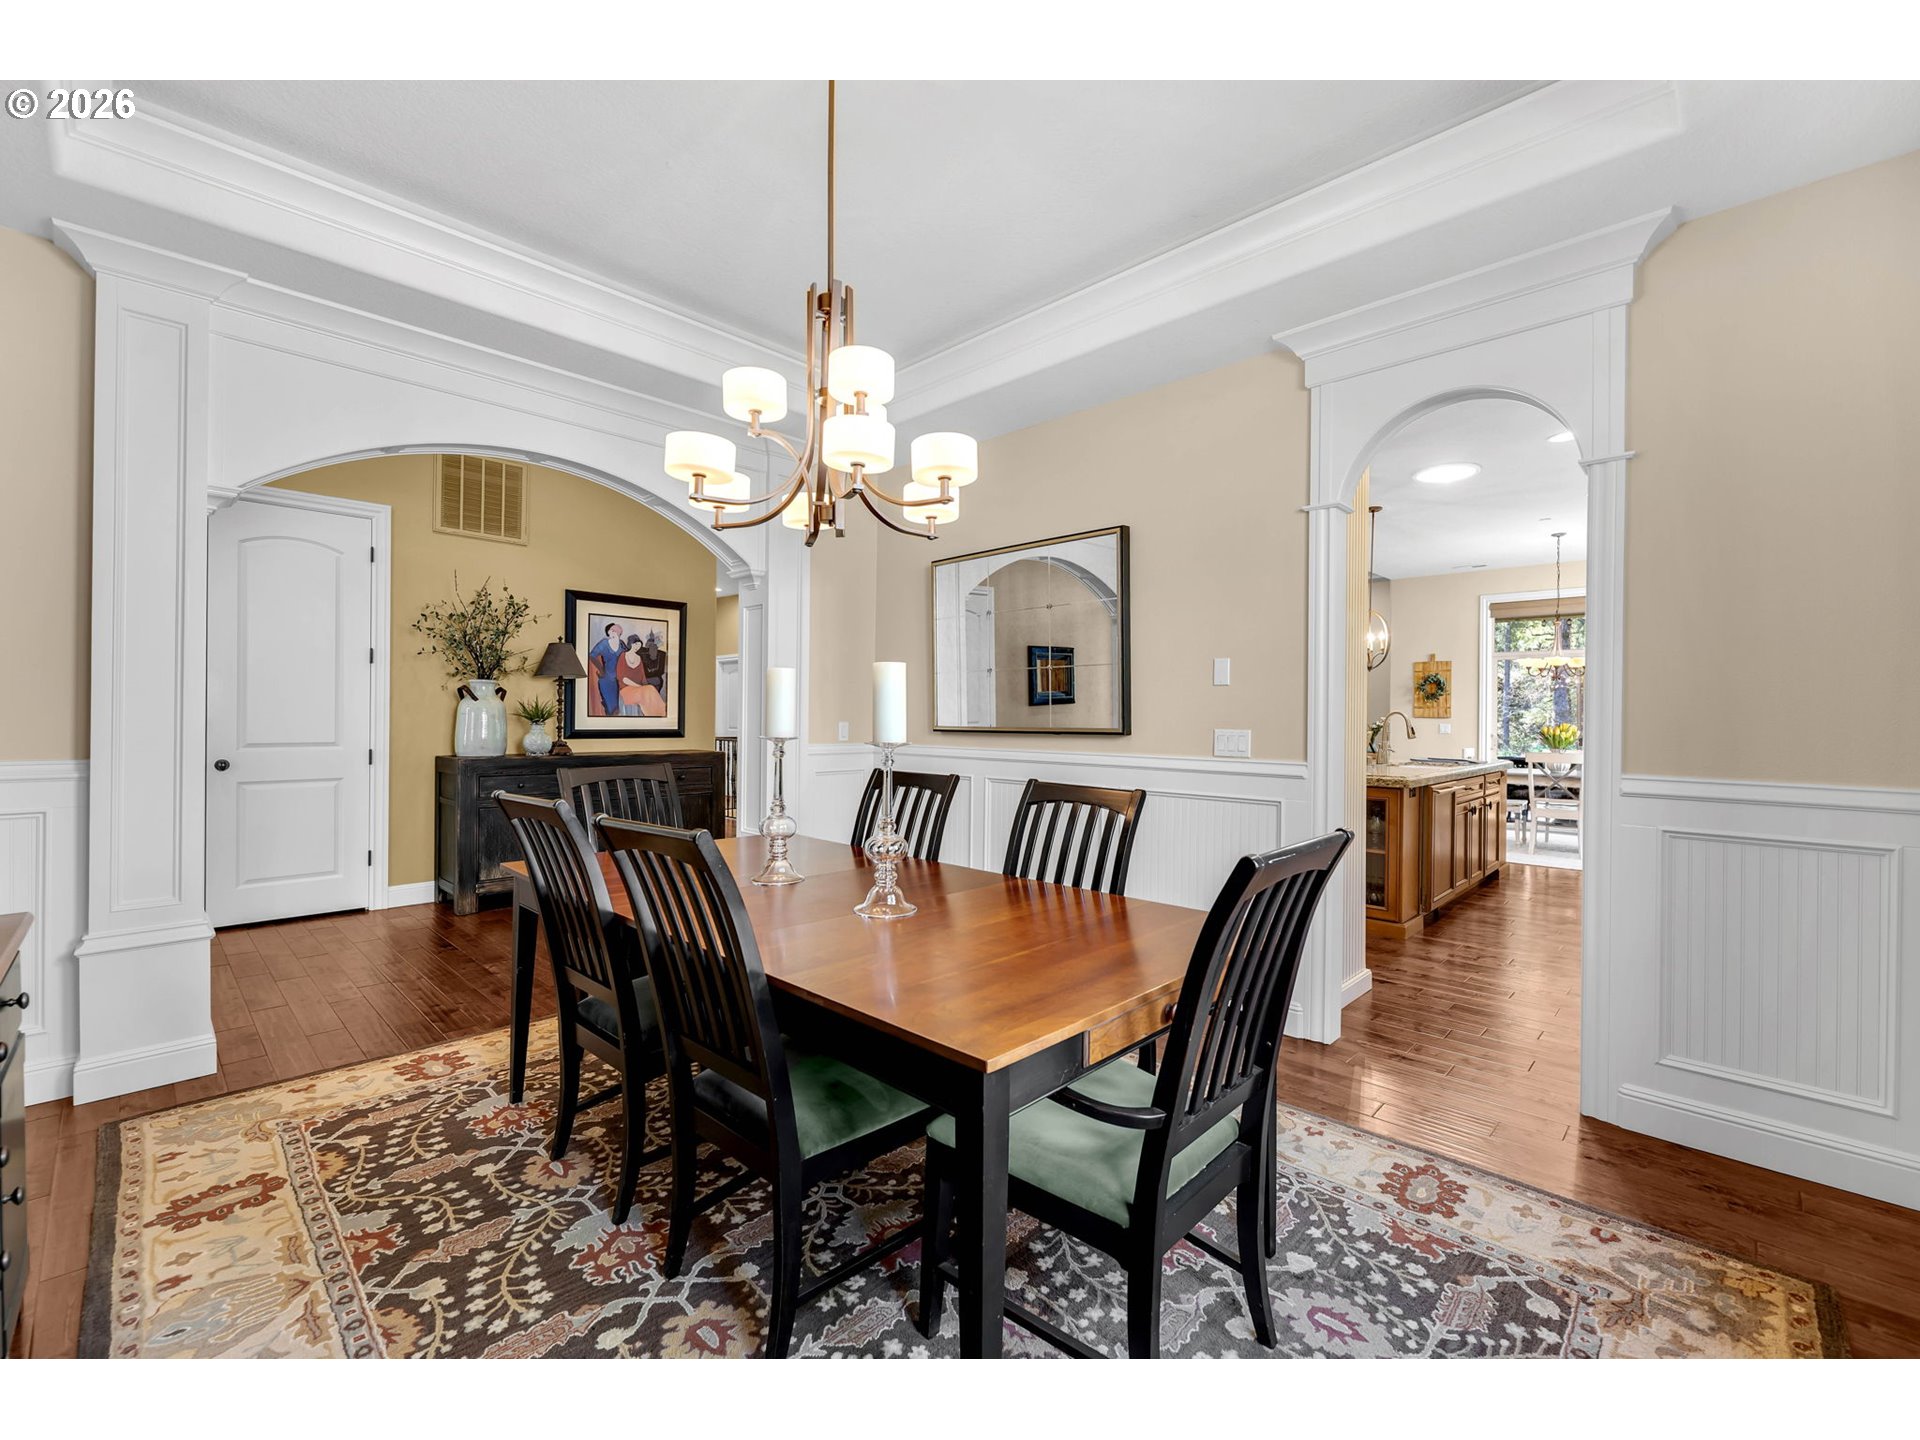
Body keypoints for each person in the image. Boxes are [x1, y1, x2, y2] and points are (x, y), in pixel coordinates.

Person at [587, 621, 624, 717]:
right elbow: (592, 655)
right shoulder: (604, 643)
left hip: (620, 679)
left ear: (619, 633)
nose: (612, 633)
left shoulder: (622, 644)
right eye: (611, 631)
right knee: (612, 709)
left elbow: (628, 656)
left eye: (615, 631)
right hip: (607, 679)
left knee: (620, 708)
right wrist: (601, 669)